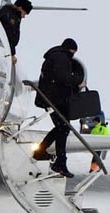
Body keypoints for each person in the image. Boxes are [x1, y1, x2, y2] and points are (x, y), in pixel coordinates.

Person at [35, 38, 85, 178]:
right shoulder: (61, 57)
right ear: (71, 49)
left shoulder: (55, 56)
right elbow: (63, 78)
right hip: (56, 99)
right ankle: (58, 162)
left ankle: (51, 157)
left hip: (51, 98)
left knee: (62, 127)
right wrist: (78, 80)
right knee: (63, 127)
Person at [0, 0, 32, 65]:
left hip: (3, 48)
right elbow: (9, 35)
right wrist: (12, 54)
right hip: (2, 49)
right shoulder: (10, 16)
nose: (24, 16)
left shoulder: (12, 14)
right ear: (20, 8)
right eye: (24, 13)